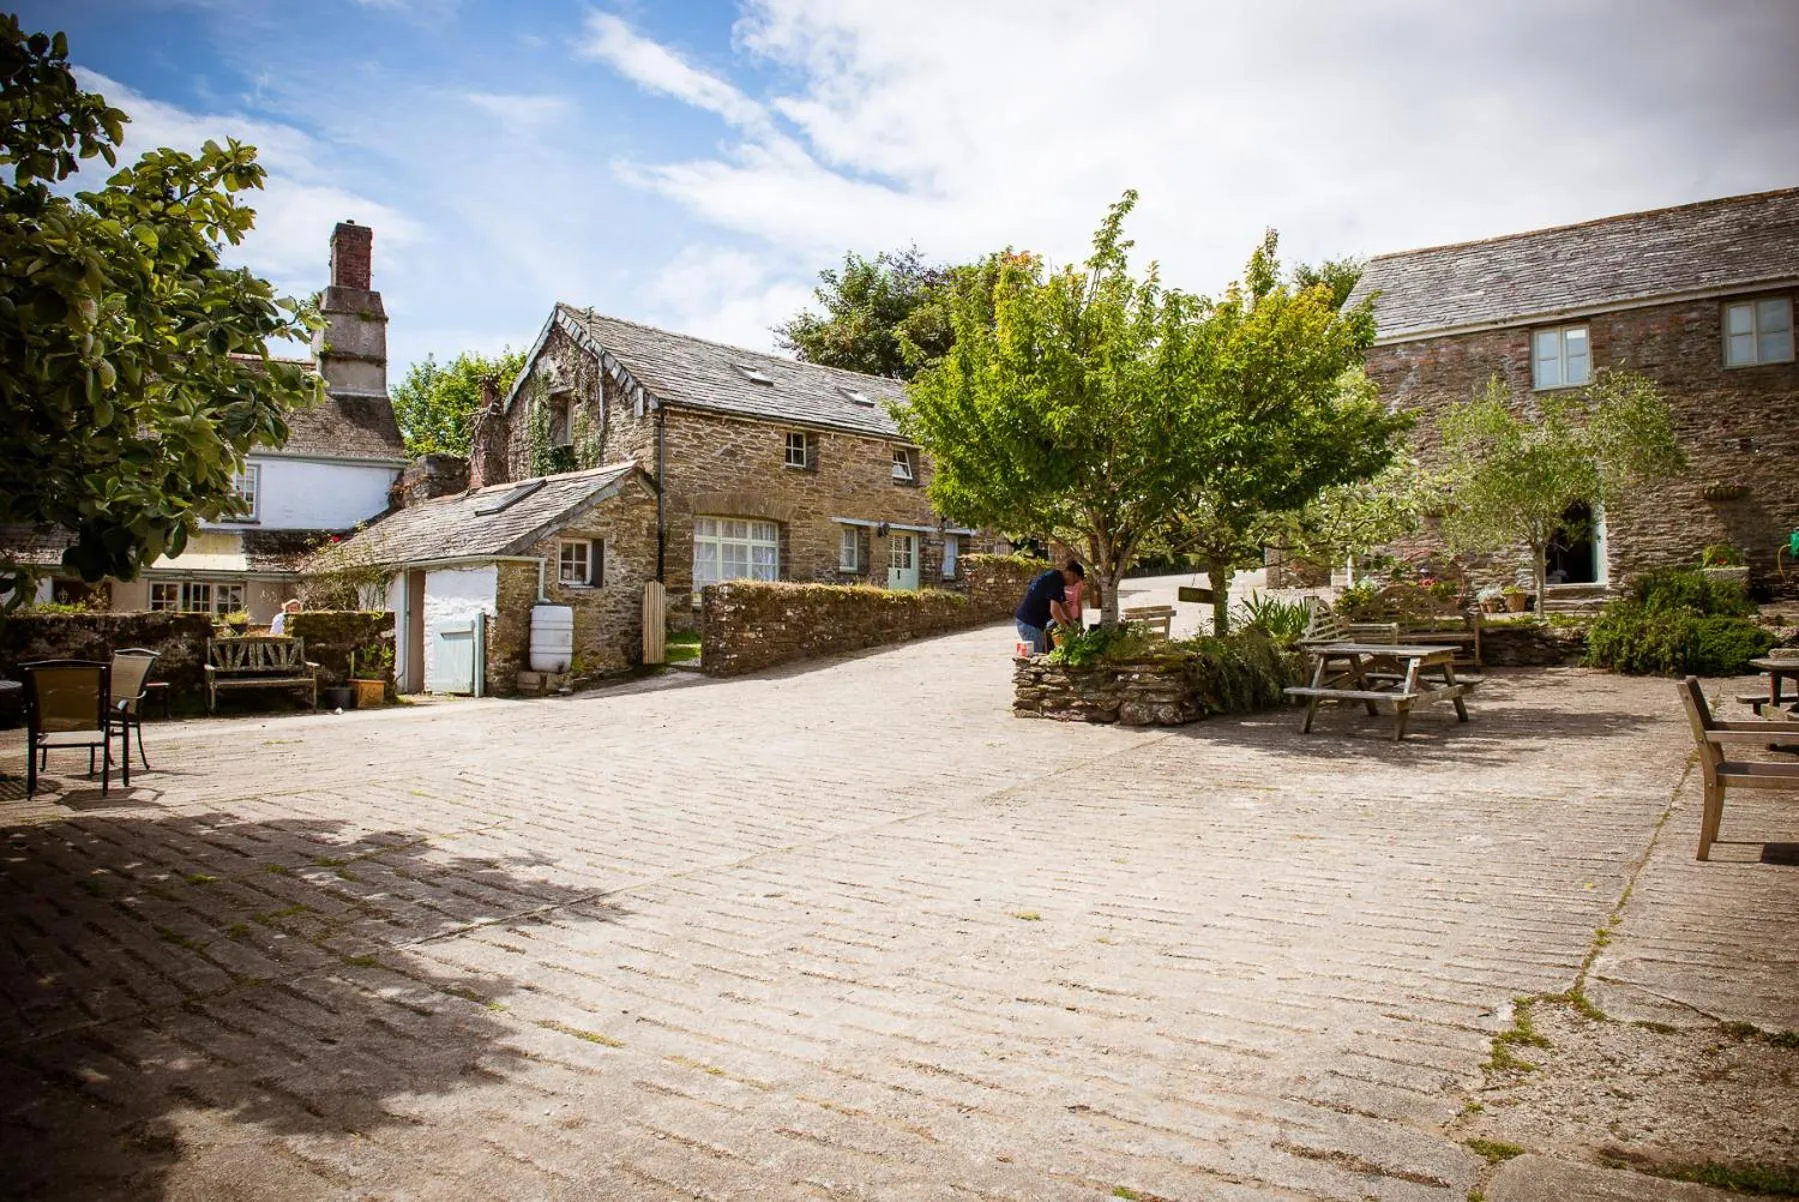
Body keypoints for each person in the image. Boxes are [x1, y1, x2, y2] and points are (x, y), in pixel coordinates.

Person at [1014, 561, 1084, 654]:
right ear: (1071, 573)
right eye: (1075, 581)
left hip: (1031, 622)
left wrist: (1073, 623)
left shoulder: (1057, 578)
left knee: (1039, 654)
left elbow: (1063, 605)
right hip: (1030, 623)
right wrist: (1067, 630)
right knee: (1036, 659)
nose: (1073, 585)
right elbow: (1054, 611)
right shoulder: (1056, 580)